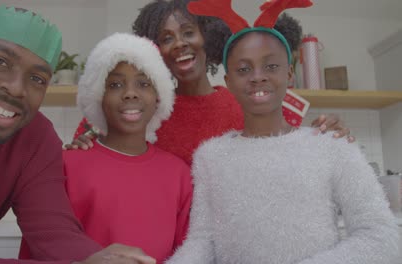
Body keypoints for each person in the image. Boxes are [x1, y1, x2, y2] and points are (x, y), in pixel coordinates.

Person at [165, 0, 399, 263]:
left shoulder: (331, 145)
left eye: (271, 66)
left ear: (289, 74)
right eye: (243, 69)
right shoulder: (210, 157)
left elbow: (382, 236)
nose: (257, 76)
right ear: (229, 82)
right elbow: (202, 241)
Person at [0, 5, 155, 264]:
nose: (16, 89)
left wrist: (95, 258)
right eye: (0, 61)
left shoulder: (36, 138)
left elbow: (53, 230)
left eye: (37, 79)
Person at [69, 0, 353, 166]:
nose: (179, 43)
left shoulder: (246, 103)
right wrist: (83, 142)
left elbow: (292, 152)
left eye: (188, 32)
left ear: (208, 37)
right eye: (166, 38)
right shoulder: (145, 111)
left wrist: (328, 133)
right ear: (155, 50)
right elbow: (94, 135)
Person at [20, 33, 192, 263]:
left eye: (143, 83)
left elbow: (188, 253)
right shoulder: (65, 165)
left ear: (158, 97)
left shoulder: (178, 173)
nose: (130, 93)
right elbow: (41, 248)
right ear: (98, 96)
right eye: (115, 84)